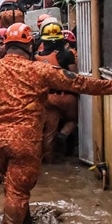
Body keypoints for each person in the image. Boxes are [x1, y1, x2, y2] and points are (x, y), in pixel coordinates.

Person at [0, 24, 112, 224]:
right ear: (29, 46)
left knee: (12, 186)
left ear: (6, 46)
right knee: (18, 191)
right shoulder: (39, 70)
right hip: (24, 141)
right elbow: (81, 83)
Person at [36, 22, 78, 161]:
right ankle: (64, 134)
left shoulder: (37, 56)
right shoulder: (67, 55)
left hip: (48, 98)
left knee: (49, 132)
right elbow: (74, 78)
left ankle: (49, 160)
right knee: (72, 120)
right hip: (66, 97)